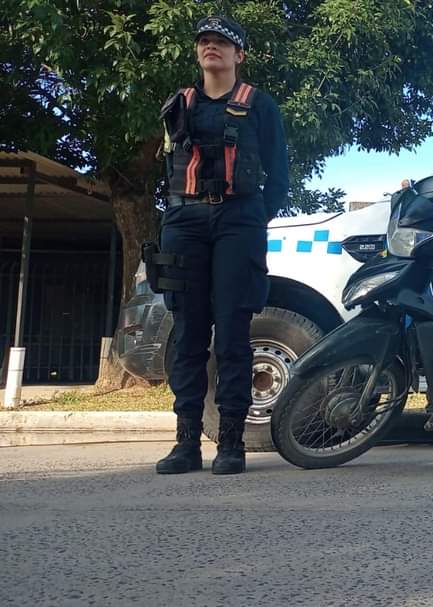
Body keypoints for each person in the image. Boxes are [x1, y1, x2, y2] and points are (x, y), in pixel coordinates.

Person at [153, 15, 288, 475]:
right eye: (205, 42)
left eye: (222, 42)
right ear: (198, 52)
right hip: (184, 219)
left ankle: (231, 443)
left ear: (239, 55)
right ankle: (185, 443)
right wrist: (175, 213)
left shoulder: (260, 105)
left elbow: (279, 174)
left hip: (239, 219)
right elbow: (170, 164)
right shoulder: (179, 103)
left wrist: (253, 219)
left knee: (232, 333)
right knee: (188, 332)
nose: (212, 47)